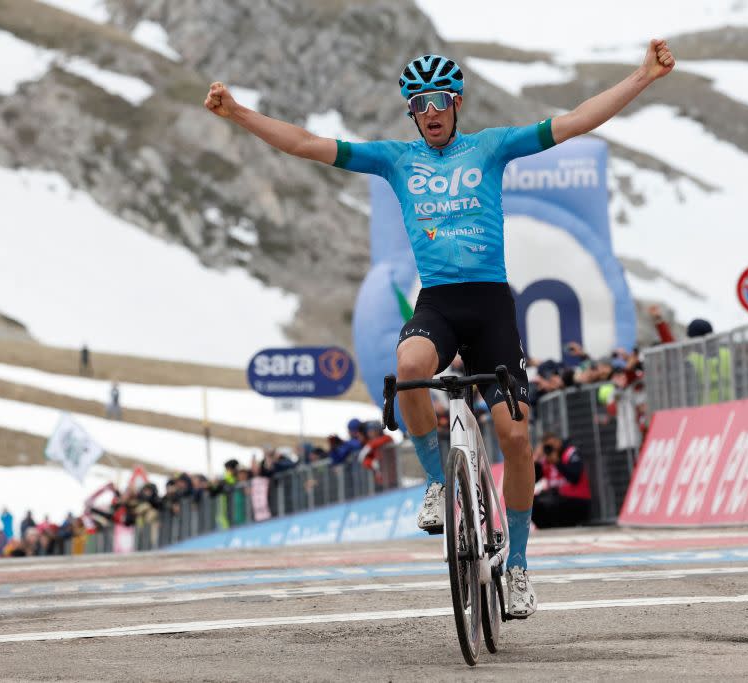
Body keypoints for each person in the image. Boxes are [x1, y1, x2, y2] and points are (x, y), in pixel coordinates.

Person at [204, 39, 675, 618]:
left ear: (456, 104)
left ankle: (520, 566)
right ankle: (436, 482)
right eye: (419, 102)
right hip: (439, 306)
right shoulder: (396, 160)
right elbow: (305, 143)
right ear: (411, 111)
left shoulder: (492, 147)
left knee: (518, 439)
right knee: (407, 371)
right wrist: (238, 114)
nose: (430, 111)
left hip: (491, 308)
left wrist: (643, 77)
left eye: (439, 100)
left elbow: (574, 121)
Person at [531, 434, 591, 528]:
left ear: (558, 441)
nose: (551, 448)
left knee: (552, 502)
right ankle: (547, 529)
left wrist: (557, 462)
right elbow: (532, 480)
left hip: (576, 501)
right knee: (532, 503)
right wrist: (536, 460)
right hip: (557, 501)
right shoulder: (546, 460)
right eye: (547, 447)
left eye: (552, 445)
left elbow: (574, 477)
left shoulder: (570, 452)